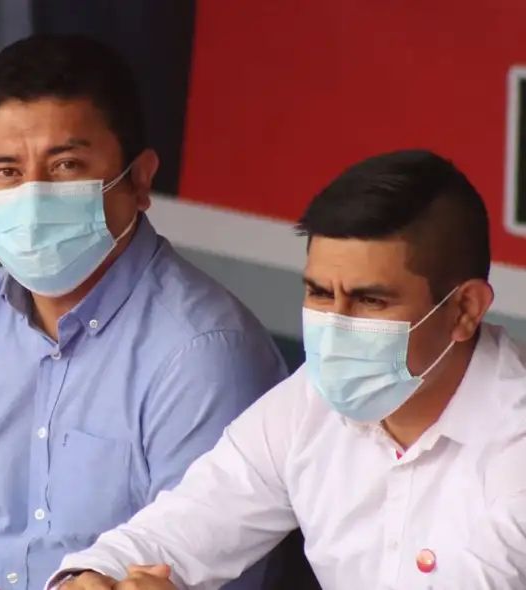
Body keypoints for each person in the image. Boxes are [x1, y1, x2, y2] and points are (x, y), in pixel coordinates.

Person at [0, 35, 287, 590]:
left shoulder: (205, 354)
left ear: (140, 179)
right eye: (6, 172)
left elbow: (196, 577)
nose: (34, 195)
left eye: (66, 165)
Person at [51, 150, 526, 590]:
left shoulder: (515, 445)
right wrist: (93, 576)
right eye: (319, 293)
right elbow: (183, 524)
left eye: (370, 300)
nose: (336, 327)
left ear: (465, 309)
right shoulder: (309, 403)